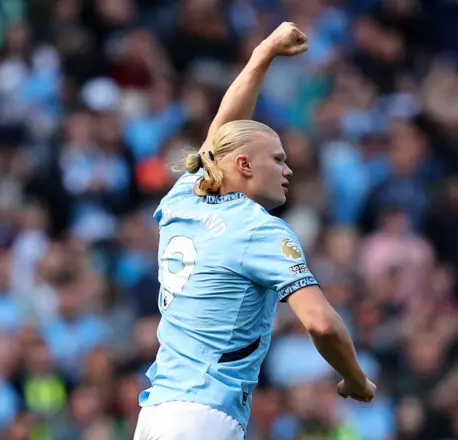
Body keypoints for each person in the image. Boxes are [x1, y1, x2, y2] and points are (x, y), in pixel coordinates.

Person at [134, 22, 377, 440]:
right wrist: (356, 378)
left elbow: (221, 134)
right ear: (245, 166)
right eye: (278, 159)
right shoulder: (258, 230)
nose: (289, 169)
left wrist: (262, 54)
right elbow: (321, 323)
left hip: (157, 412)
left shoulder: (183, 199)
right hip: (205, 416)